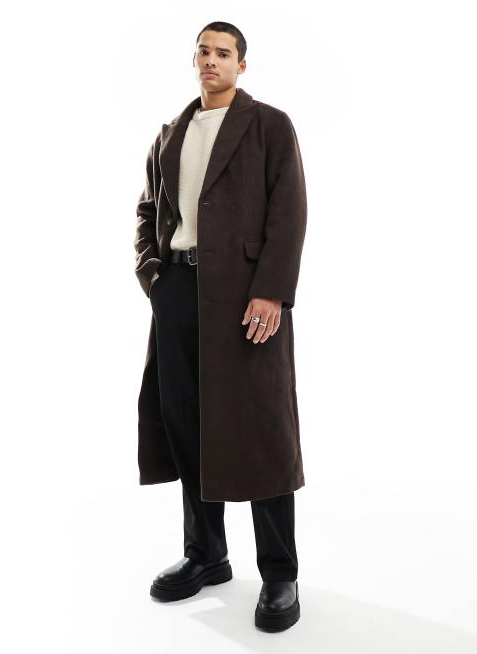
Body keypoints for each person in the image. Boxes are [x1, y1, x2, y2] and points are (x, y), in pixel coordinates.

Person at [134, 21, 307, 632]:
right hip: (178, 292)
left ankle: (280, 572)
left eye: (223, 53)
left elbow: (289, 210)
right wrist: (153, 275)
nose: (211, 60)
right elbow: (148, 209)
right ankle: (206, 554)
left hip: (245, 298)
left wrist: (271, 291)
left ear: (241, 64)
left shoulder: (269, 127)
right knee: (187, 423)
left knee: (260, 428)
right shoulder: (170, 133)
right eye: (203, 51)